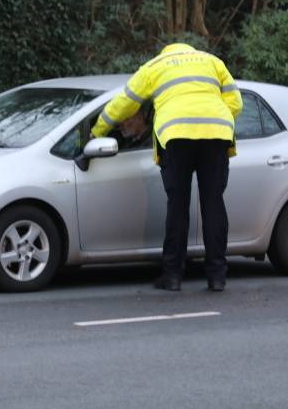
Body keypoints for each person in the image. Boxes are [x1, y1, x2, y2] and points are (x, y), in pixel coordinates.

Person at [91, 43, 242, 292]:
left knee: (178, 206)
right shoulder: (212, 61)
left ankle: (172, 276)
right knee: (213, 204)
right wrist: (211, 118)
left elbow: (124, 103)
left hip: (176, 136)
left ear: (165, 51)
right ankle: (217, 276)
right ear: (190, 50)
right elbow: (235, 103)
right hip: (216, 135)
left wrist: (97, 131)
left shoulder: (154, 67)